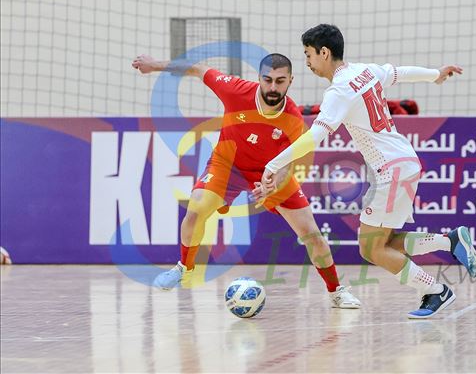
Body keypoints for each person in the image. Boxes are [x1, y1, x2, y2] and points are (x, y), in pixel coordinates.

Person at [260, 24, 476, 319]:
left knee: (372, 249)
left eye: (308, 54)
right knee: (382, 242)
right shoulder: (365, 71)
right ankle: (449, 242)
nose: (307, 62)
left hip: (390, 169)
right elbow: (400, 73)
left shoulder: (339, 90)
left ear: (324, 52)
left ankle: (435, 290)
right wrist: (434, 74)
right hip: (403, 162)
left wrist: (273, 164)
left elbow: (315, 137)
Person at [132, 52, 361, 308]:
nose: (273, 87)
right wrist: (154, 66)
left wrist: (274, 183)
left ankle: (336, 291)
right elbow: (198, 69)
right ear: (259, 78)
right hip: (227, 165)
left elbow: (288, 161)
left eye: (280, 81)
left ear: (290, 81)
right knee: (196, 208)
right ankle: (184, 267)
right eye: (268, 80)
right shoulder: (235, 90)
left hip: (269, 171)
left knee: (312, 234)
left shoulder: (293, 118)